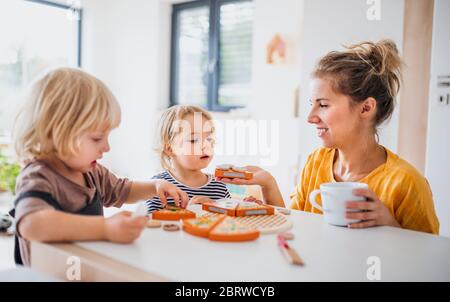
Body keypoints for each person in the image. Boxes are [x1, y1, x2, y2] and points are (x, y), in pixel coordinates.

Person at [219, 40, 439, 234]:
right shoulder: (316, 162)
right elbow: (295, 225)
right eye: (311, 104)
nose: (310, 117)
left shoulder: (406, 183)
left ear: (366, 108)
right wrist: (268, 185)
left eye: (323, 105)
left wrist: (390, 226)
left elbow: (429, 263)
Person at [11, 68, 189, 266]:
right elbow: (32, 224)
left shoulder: (91, 172)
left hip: (83, 270)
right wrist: (105, 229)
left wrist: (155, 186)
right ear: (56, 134)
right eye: (97, 138)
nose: (106, 147)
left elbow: (123, 190)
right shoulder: (38, 176)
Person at [146, 105, 231, 213]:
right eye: (193, 140)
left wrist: (216, 209)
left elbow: (229, 221)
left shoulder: (219, 186)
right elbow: (148, 224)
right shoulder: (159, 186)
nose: (205, 145)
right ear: (170, 149)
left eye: (209, 139)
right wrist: (187, 212)